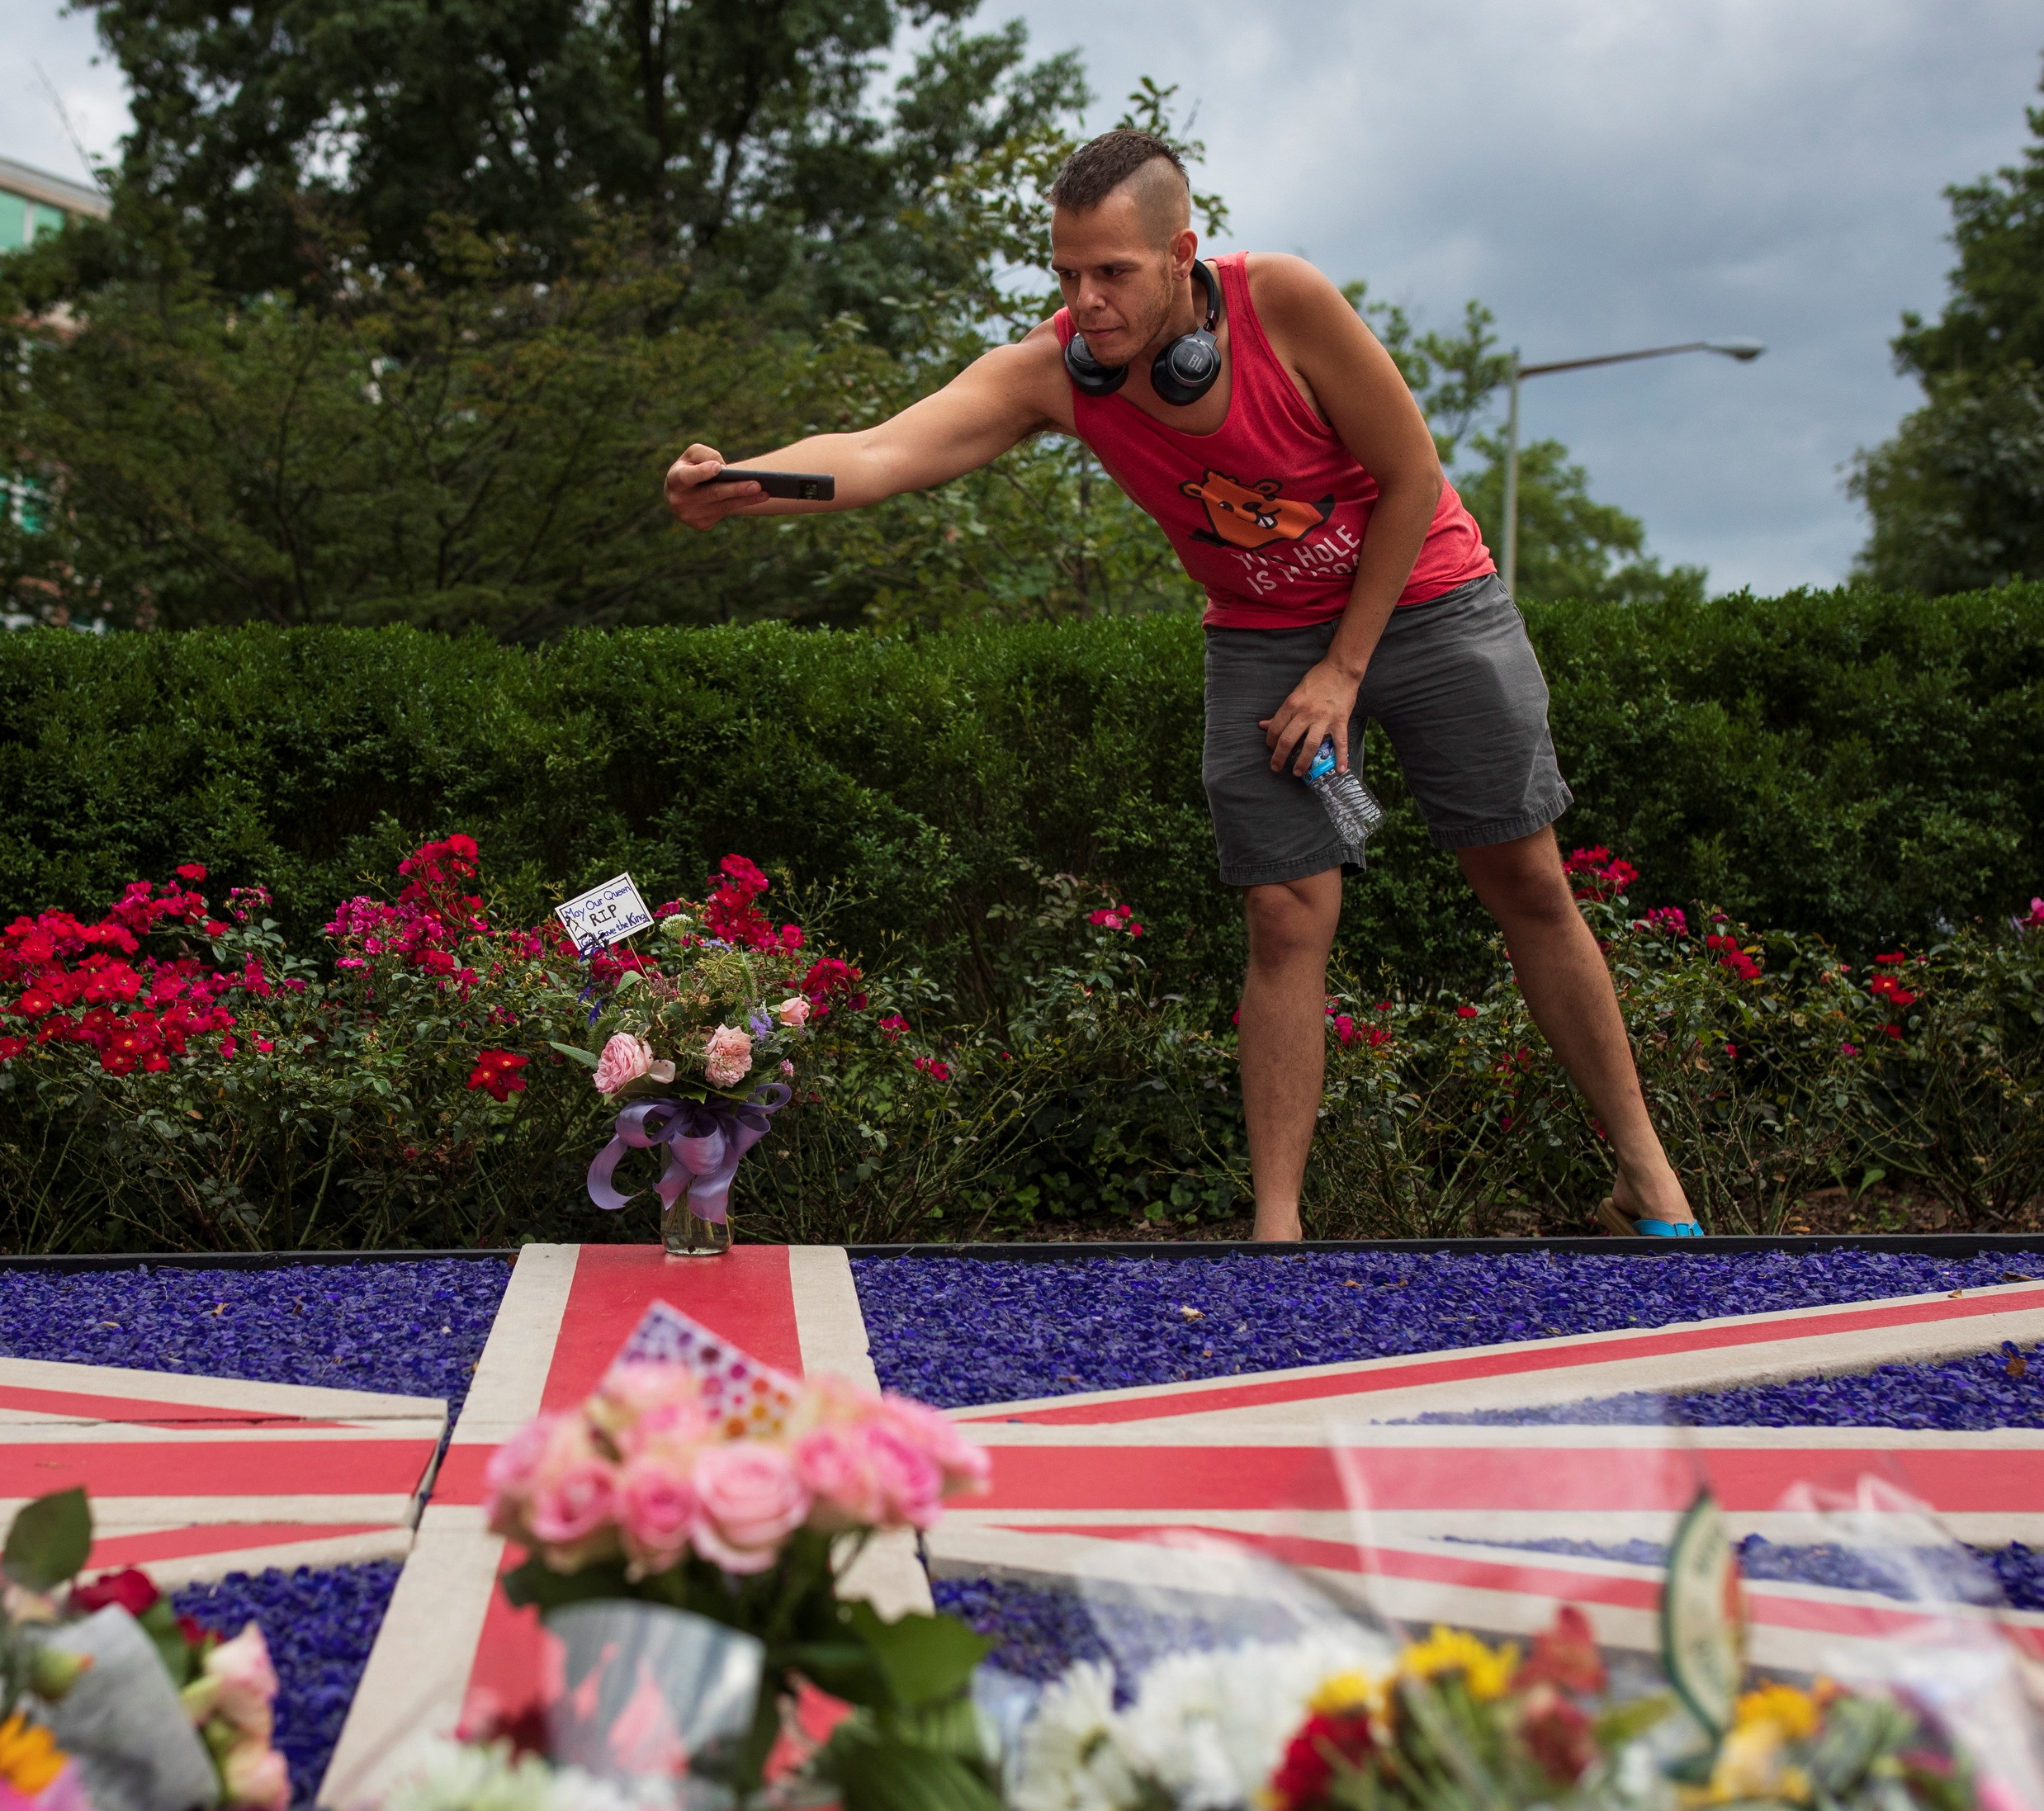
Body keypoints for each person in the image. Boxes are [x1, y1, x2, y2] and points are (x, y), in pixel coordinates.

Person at [663, 125, 1701, 1241]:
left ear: (1180, 254)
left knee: (1526, 880)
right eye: (1067, 274)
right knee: (1284, 911)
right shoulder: (1054, 373)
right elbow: (884, 451)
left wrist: (1344, 671)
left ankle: (1651, 1180)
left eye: (1111, 271)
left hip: (1428, 595)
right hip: (1262, 628)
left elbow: (1410, 477)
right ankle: (1279, 1232)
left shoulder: (1285, 304)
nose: (1087, 300)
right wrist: (749, 483)